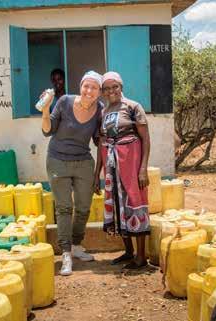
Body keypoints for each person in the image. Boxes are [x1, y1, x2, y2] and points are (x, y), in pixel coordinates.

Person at [42, 71, 103, 276]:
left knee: (84, 207)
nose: (89, 91)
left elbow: (98, 140)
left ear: (99, 92)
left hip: (83, 161)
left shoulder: (100, 109)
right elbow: (47, 130)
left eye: (94, 88)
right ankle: (66, 253)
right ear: (80, 86)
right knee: (64, 208)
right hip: (57, 160)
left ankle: (76, 245)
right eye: (86, 86)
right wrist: (45, 109)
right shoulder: (64, 101)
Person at [94, 71, 151, 269]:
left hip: (132, 165)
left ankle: (141, 256)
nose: (111, 91)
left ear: (121, 87)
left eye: (114, 87)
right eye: (107, 88)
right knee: (118, 206)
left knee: (135, 202)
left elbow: (145, 139)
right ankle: (128, 252)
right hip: (111, 167)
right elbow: (102, 143)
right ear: (102, 92)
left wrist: (143, 169)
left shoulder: (134, 107)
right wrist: (96, 176)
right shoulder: (103, 112)